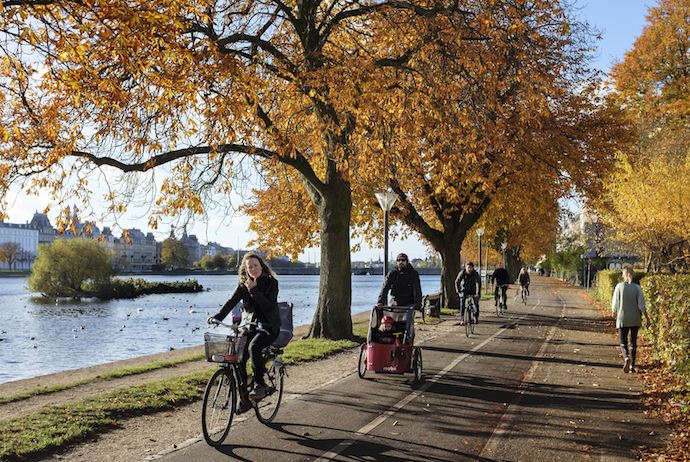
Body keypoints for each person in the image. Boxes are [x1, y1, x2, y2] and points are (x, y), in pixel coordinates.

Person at [208, 253, 281, 412]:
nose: (253, 269)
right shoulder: (244, 285)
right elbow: (231, 302)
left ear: (261, 266)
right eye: (249, 267)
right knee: (237, 355)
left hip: (270, 327)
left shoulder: (271, 283)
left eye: (255, 265)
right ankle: (244, 398)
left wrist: (254, 290)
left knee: (254, 347)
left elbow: (268, 306)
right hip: (251, 326)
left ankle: (259, 385)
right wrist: (217, 317)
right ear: (245, 269)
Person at [611, 265, 650, 373]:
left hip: (622, 317)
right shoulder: (637, 288)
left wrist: (614, 312)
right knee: (633, 342)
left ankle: (626, 357)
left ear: (623, 275)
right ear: (633, 274)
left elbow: (615, 302)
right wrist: (647, 318)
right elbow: (641, 305)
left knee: (623, 341)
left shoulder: (619, 287)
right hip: (635, 318)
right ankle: (632, 365)